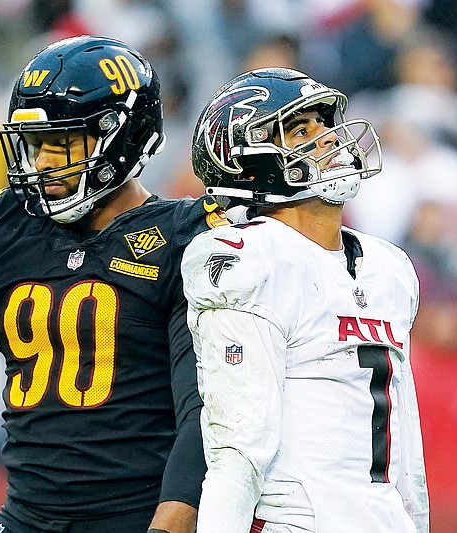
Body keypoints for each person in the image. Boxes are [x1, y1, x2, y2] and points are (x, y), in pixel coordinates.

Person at [0, 35, 226, 533]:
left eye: (63, 141)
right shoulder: (15, 221)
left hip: (133, 516)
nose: (45, 161)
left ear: (121, 137)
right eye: (38, 144)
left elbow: (206, 411)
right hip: (27, 516)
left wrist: (173, 520)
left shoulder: (185, 237)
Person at [181, 67, 430, 532]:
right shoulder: (251, 258)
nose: (328, 138)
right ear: (249, 161)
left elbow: (407, 452)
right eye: (300, 130)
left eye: (324, 123)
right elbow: (237, 447)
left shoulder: (388, 267)